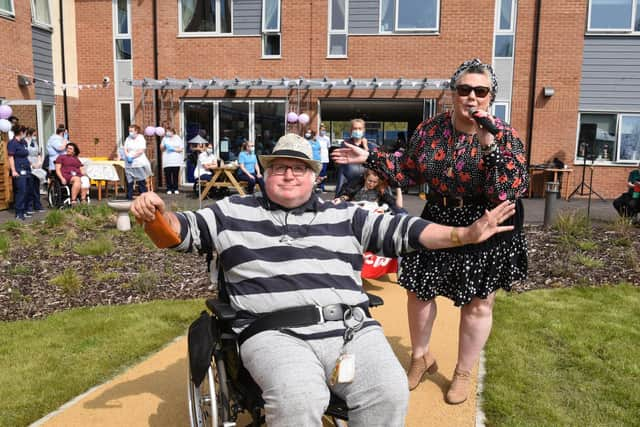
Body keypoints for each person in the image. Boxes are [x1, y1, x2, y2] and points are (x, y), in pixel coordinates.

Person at [130, 133, 516, 426]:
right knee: (300, 399)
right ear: (265, 173)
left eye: (299, 168)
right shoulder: (231, 211)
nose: (288, 174)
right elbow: (179, 234)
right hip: (275, 334)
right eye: (279, 166)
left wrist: (462, 235)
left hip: (351, 329)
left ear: (314, 177)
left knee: (389, 390)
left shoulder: (344, 214)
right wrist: (155, 217)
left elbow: (406, 231)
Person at [332, 58, 529, 404]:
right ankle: (421, 357)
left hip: (489, 219)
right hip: (440, 212)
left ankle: (463, 371)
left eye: (480, 91)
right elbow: (408, 172)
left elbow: (508, 190)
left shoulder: (505, 135)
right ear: (453, 94)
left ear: (490, 97)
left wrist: (488, 144)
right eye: (464, 89)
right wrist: (369, 157)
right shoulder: (430, 130)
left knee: (478, 303)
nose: (471, 97)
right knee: (419, 291)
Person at [335, 118, 376, 195]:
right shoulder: (346, 144)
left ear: (363, 130)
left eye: (360, 128)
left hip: (364, 181)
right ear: (351, 130)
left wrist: (365, 146)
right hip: (348, 180)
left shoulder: (370, 145)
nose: (357, 131)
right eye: (355, 128)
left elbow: (371, 160)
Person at [336, 169, 406, 215]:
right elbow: (346, 195)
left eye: (375, 182)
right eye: (369, 181)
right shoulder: (357, 186)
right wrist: (340, 199)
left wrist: (398, 188)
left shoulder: (380, 190)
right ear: (365, 178)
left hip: (371, 215)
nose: (372, 184)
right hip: (355, 212)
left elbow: (399, 206)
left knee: (402, 214)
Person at [8, 125, 31, 220]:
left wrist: (30, 163)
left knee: (27, 191)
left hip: (27, 168)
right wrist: (13, 170)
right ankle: (19, 212)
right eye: (25, 132)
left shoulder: (23, 142)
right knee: (21, 191)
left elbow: (25, 154)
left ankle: (25, 210)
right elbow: (10, 157)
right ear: (21, 132)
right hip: (18, 169)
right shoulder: (12, 143)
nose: (25, 134)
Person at [123, 124, 151, 200]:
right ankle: (129, 196)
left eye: (131, 131)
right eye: (129, 131)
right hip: (129, 163)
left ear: (136, 131)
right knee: (129, 181)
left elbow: (141, 150)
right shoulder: (128, 138)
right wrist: (127, 156)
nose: (130, 132)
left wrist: (132, 156)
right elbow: (125, 148)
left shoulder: (141, 138)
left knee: (141, 180)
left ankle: (144, 197)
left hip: (138, 162)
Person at [25, 128, 46, 213]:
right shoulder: (25, 142)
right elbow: (25, 154)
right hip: (29, 165)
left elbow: (38, 153)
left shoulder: (35, 142)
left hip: (37, 166)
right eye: (34, 134)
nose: (35, 136)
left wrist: (39, 162)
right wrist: (31, 164)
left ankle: (37, 205)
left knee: (36, 187)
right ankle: (29, 206)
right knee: (30, 187)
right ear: (29, 134)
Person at [161, 126, 184, 195]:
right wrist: (164, 146)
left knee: (175, 175)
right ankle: (169, 189)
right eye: (166, 131)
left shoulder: (177, 138)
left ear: (172, 131)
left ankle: (175, 188)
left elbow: (181, 149)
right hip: (167, 160)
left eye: (169, 131)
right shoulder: (164, 138)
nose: (167, 133)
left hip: (176, 160)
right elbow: (161, 149)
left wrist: (173, 149)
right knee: (167, 175)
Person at [305, 128, 324, 192]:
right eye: (315, 135)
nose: (316, 137)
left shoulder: (317, 142)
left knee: (316, 175)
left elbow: (319, 150)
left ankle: (314, 188)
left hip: (318, 160)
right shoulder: (308, 142)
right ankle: (309, 188)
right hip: (311, 160)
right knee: (311, 175)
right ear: (312, 136)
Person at [317, 123, 331, 192]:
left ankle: (322, 187)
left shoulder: (327, 138)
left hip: (325, 159)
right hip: (318, 158)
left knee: (323, 173)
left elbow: (328, 147)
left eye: (324, 130)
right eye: (322, 130)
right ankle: (317, 186)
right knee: (318, 173)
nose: (323, 131)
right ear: (319, 130)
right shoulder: (316, 138)